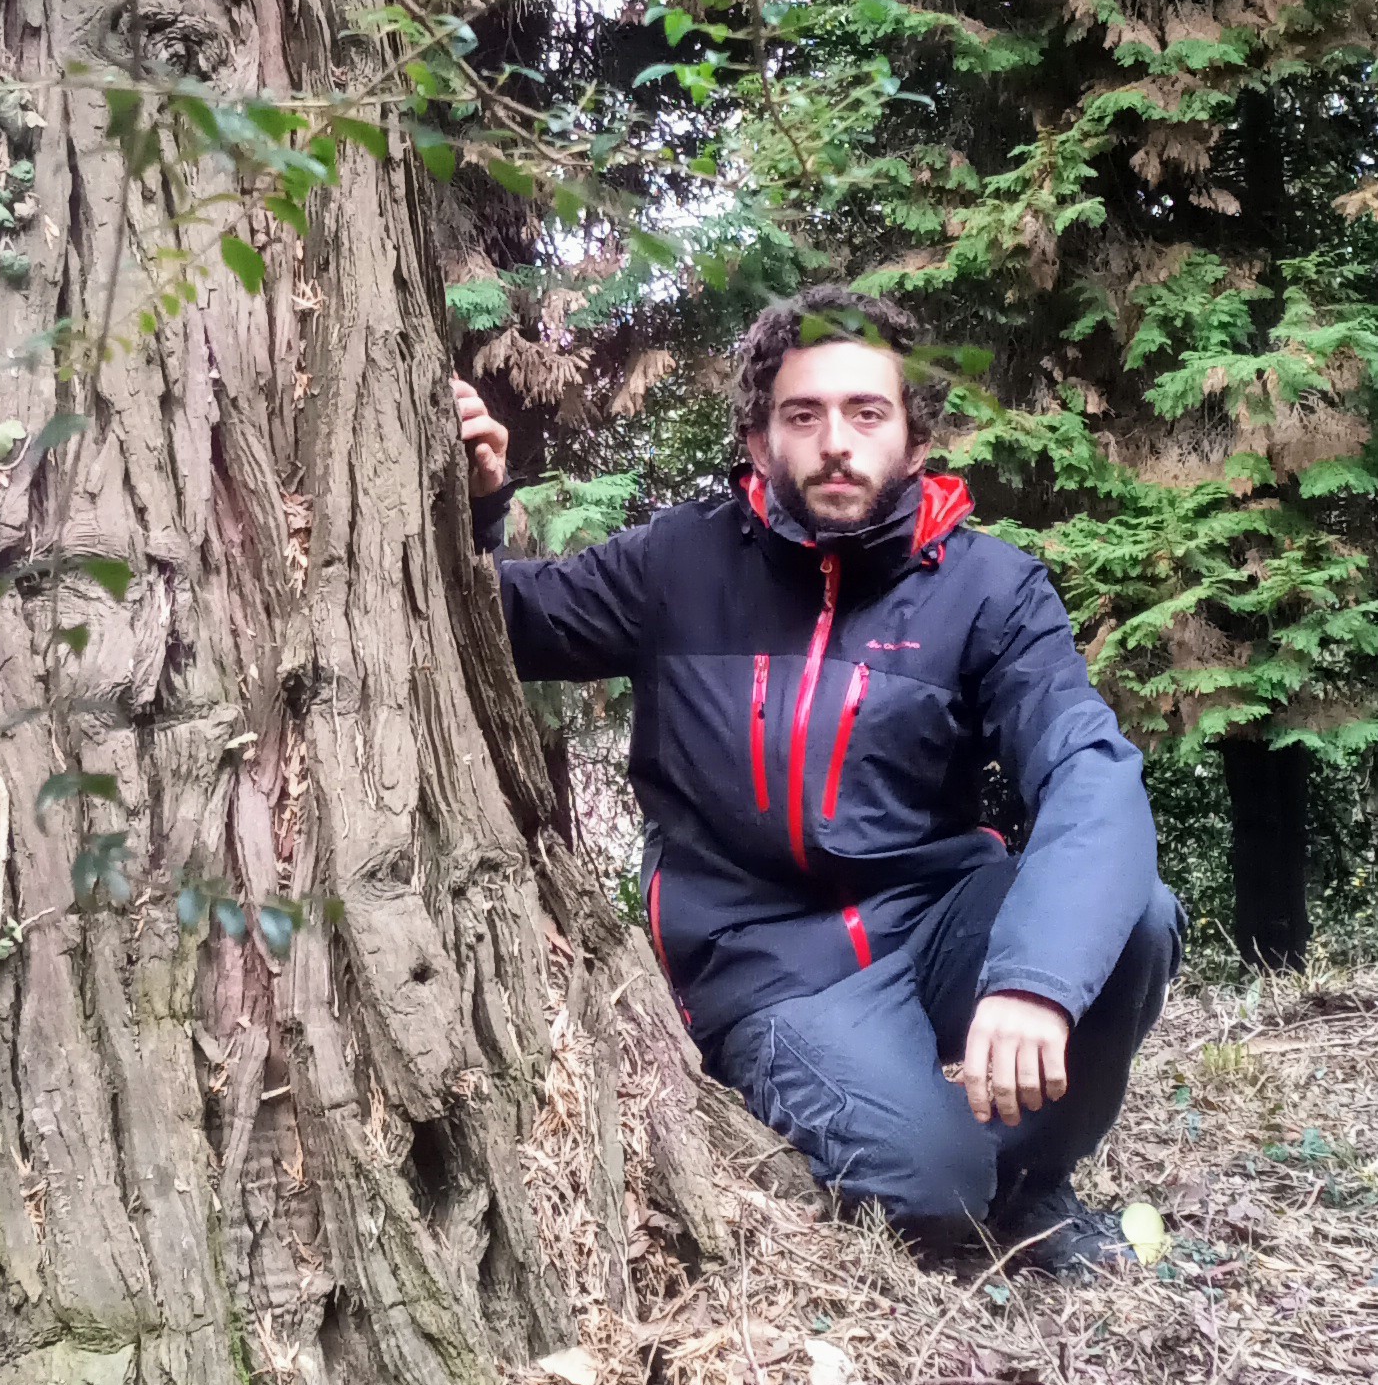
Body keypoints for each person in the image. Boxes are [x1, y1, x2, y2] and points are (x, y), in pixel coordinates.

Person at [455, 288, 1181, 1278]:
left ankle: (1036, 1181)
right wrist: (479, 507)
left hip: (935, 913)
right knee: (937, 1185)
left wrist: (1035, 979)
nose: (836, 442)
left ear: (915, 441)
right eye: (804, 414)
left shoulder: (990, 589)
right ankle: (943, 1149)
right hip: (766, 955)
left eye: (866, 412)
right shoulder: (680, 560)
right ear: (761, 441)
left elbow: (1088, 768)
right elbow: (504, 625)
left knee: (1135, 917)